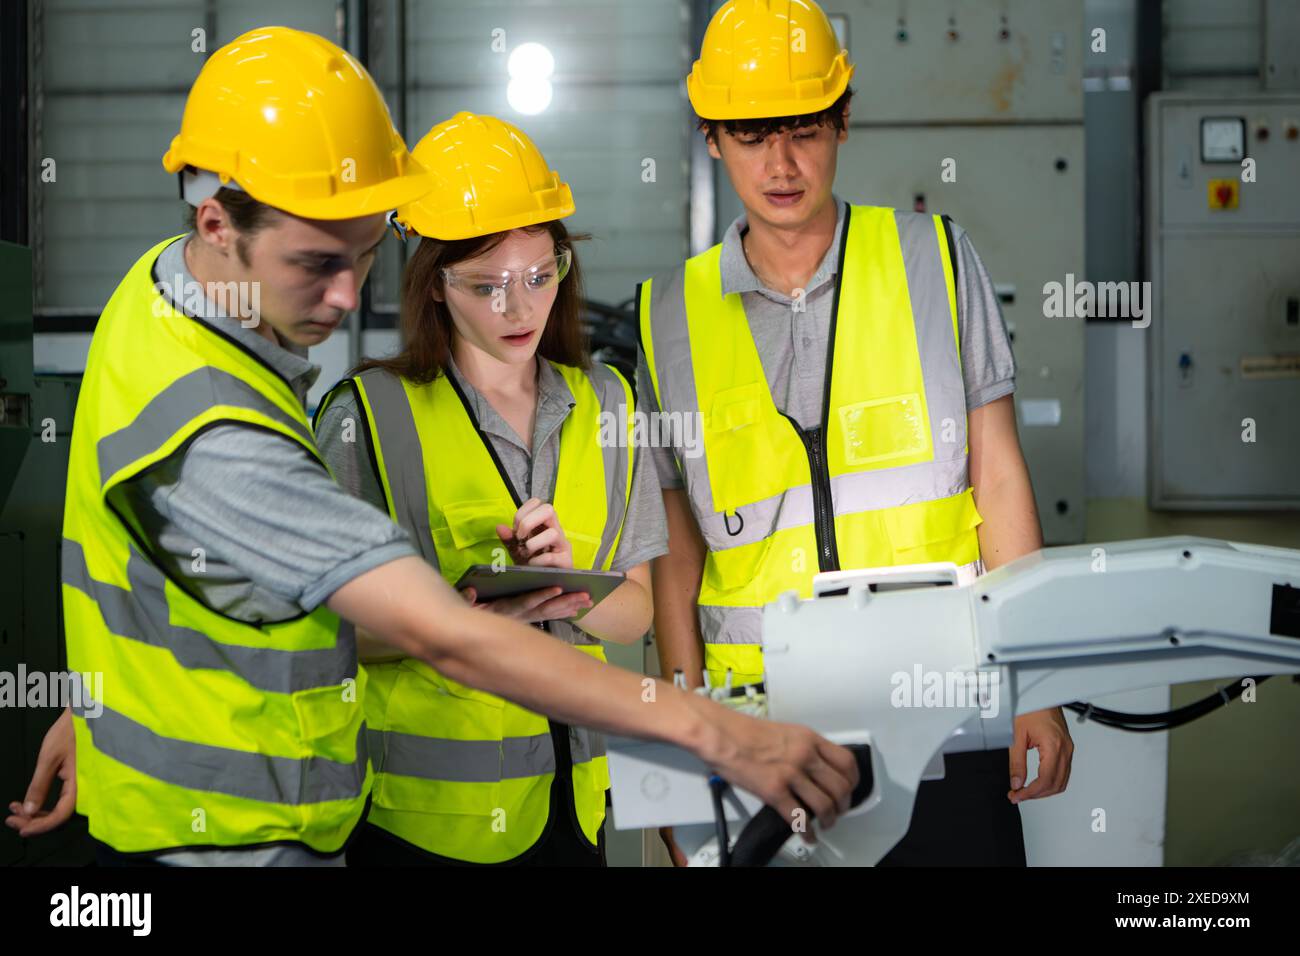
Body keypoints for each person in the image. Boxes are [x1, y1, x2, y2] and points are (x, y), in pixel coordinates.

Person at [4, 27, 858, 865]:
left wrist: (99, 700)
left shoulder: (160, 285)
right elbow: (445, 637)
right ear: (217, 220)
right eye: (313, 262)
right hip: (232, 833)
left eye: (365, 254)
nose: (344, 297)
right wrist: (719, 734)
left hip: (463, 809)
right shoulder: (235, 432)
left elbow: (156, 582)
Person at [638, 0, 1072, 866]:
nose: (783, 162)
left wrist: (1040, 683)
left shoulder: (936, 260)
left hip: (946, 709)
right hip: (765, 736)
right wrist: (686, 743)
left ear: (843, 121)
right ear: (713, 139)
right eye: (753, 135)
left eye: (804, 129)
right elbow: (675, 551)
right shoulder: (669, 315)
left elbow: (999, 476)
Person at [314, 112, 665, 866]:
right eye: (487, 286)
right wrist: (455, 616)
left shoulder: (607, 403)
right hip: (423, 823)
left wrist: (578, 590)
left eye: (542, 277)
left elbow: (636, 612)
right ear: (434, 285)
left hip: (574, 813)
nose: (520, 308)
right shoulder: (369, 417)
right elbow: (319, 634)